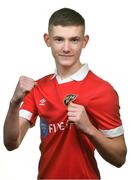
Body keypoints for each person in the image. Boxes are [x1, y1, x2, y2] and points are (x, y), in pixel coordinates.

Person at [4, 7, 127, 179]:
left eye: (74, 40)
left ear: (85, 41)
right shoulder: (38, 87)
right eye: (59, 39)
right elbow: (11, 143)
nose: (66, 48)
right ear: (48, 40)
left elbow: (120, 158)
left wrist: (89, 129)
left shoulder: (103, 90)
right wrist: (14, 103)